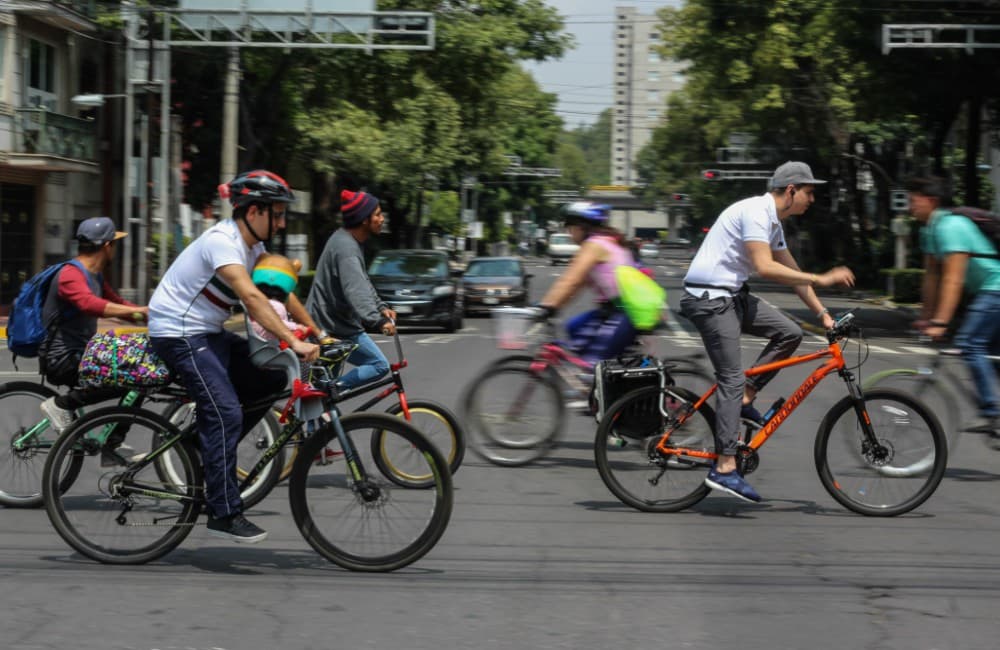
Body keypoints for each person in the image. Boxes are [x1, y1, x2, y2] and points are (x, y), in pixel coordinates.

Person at [148, 170, 319, 544]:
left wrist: (316, 331)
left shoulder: (253, 248)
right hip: (178, 333)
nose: (281, 221)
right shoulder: (223, 242)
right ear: (253, 211)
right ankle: (223, 511)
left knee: (271, 375)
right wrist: (292, 339)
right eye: (277, 213)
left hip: (206, 332)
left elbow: (278, 292)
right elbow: (254, 299)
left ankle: (206, 444)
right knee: (225, 410)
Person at [679, 161, 855, 503]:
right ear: (791, 191)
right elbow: (765, 267)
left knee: (789, 333)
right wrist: (823, 278)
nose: (812, 199)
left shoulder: (773, 222)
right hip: (710, 299)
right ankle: (725, 468)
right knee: (729, 377)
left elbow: (793, 271)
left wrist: (823, 315)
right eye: (809, 192)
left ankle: (745, 396)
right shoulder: (756, 212)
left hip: (731, 295)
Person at [39, 217, 149, 433]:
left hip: (83, 352)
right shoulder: (70, 274)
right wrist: (137, 311)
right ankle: (61, 405)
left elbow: (117, 305)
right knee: (135, 377)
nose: (115, 250)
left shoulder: (95, 276)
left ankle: (111, 444)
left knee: (144, 371)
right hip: (62, 359)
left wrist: (150, 316)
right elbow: (89, 304)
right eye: (115, 245)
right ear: (107, 246)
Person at [909, 175, 1000, 434]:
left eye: (915, 200)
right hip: (989, 290)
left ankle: (991, 412)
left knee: (970, 343)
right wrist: (926, 316)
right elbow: (932, 277)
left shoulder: (951, 226)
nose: (910, 206)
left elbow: (953, 278)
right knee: (992, 356)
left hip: (996, 287)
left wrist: (941, 322)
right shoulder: (929, 230)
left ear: (932, 200)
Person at [306, 189, 397, 393]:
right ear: (364, 220)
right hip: (333, 328)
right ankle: (329, 395)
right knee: (378, 365)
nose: (382, 219)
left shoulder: (349, 242)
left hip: (333, 324)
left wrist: (381, 307)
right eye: (378, 214)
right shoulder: (347, 249)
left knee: (321, 394)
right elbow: (355, 290)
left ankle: (326, 400)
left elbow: (362, 281)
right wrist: (377, 320)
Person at [536, 202, 639, 364]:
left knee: (592, 367)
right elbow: (576, 286)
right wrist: (553, 306)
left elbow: (570, 280)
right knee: (573, 327)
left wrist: (546, 307)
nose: (569, 233)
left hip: (624, 313)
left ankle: (593, 382)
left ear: (581, 227)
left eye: (569, 227)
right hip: (612, 311)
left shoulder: (594, 245)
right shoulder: (606, 241)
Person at [250, 253, 311, 342]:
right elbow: (277, 323)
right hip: (271, 347)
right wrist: (297, 327)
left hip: (261, 343)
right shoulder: (276, 305)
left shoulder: (257, 302)